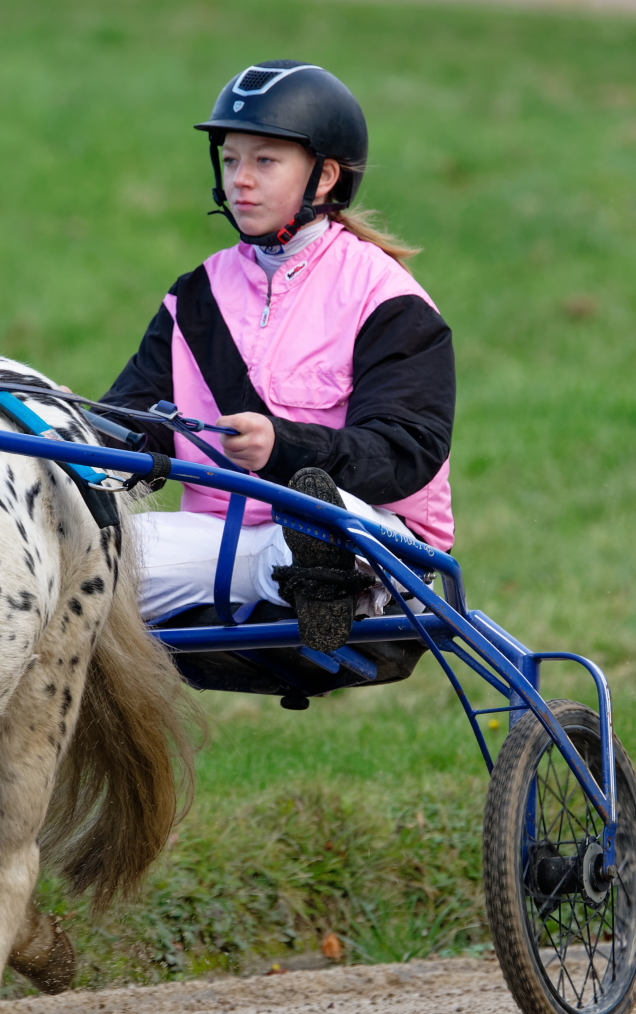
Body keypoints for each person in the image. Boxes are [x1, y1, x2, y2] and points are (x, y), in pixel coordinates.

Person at [101, 60, 455, 653]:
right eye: (231, 160)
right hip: (220, 540)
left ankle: (322, 573)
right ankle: (308, 574)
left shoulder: (387, 299)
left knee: (318, 526)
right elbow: (135, 424)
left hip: (381, 543)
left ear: (324, 177)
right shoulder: (196, 296)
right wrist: (64, 429)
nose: (240, 180)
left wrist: (282, 448)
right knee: (78, 559)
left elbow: (406, 451)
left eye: (265, 161)